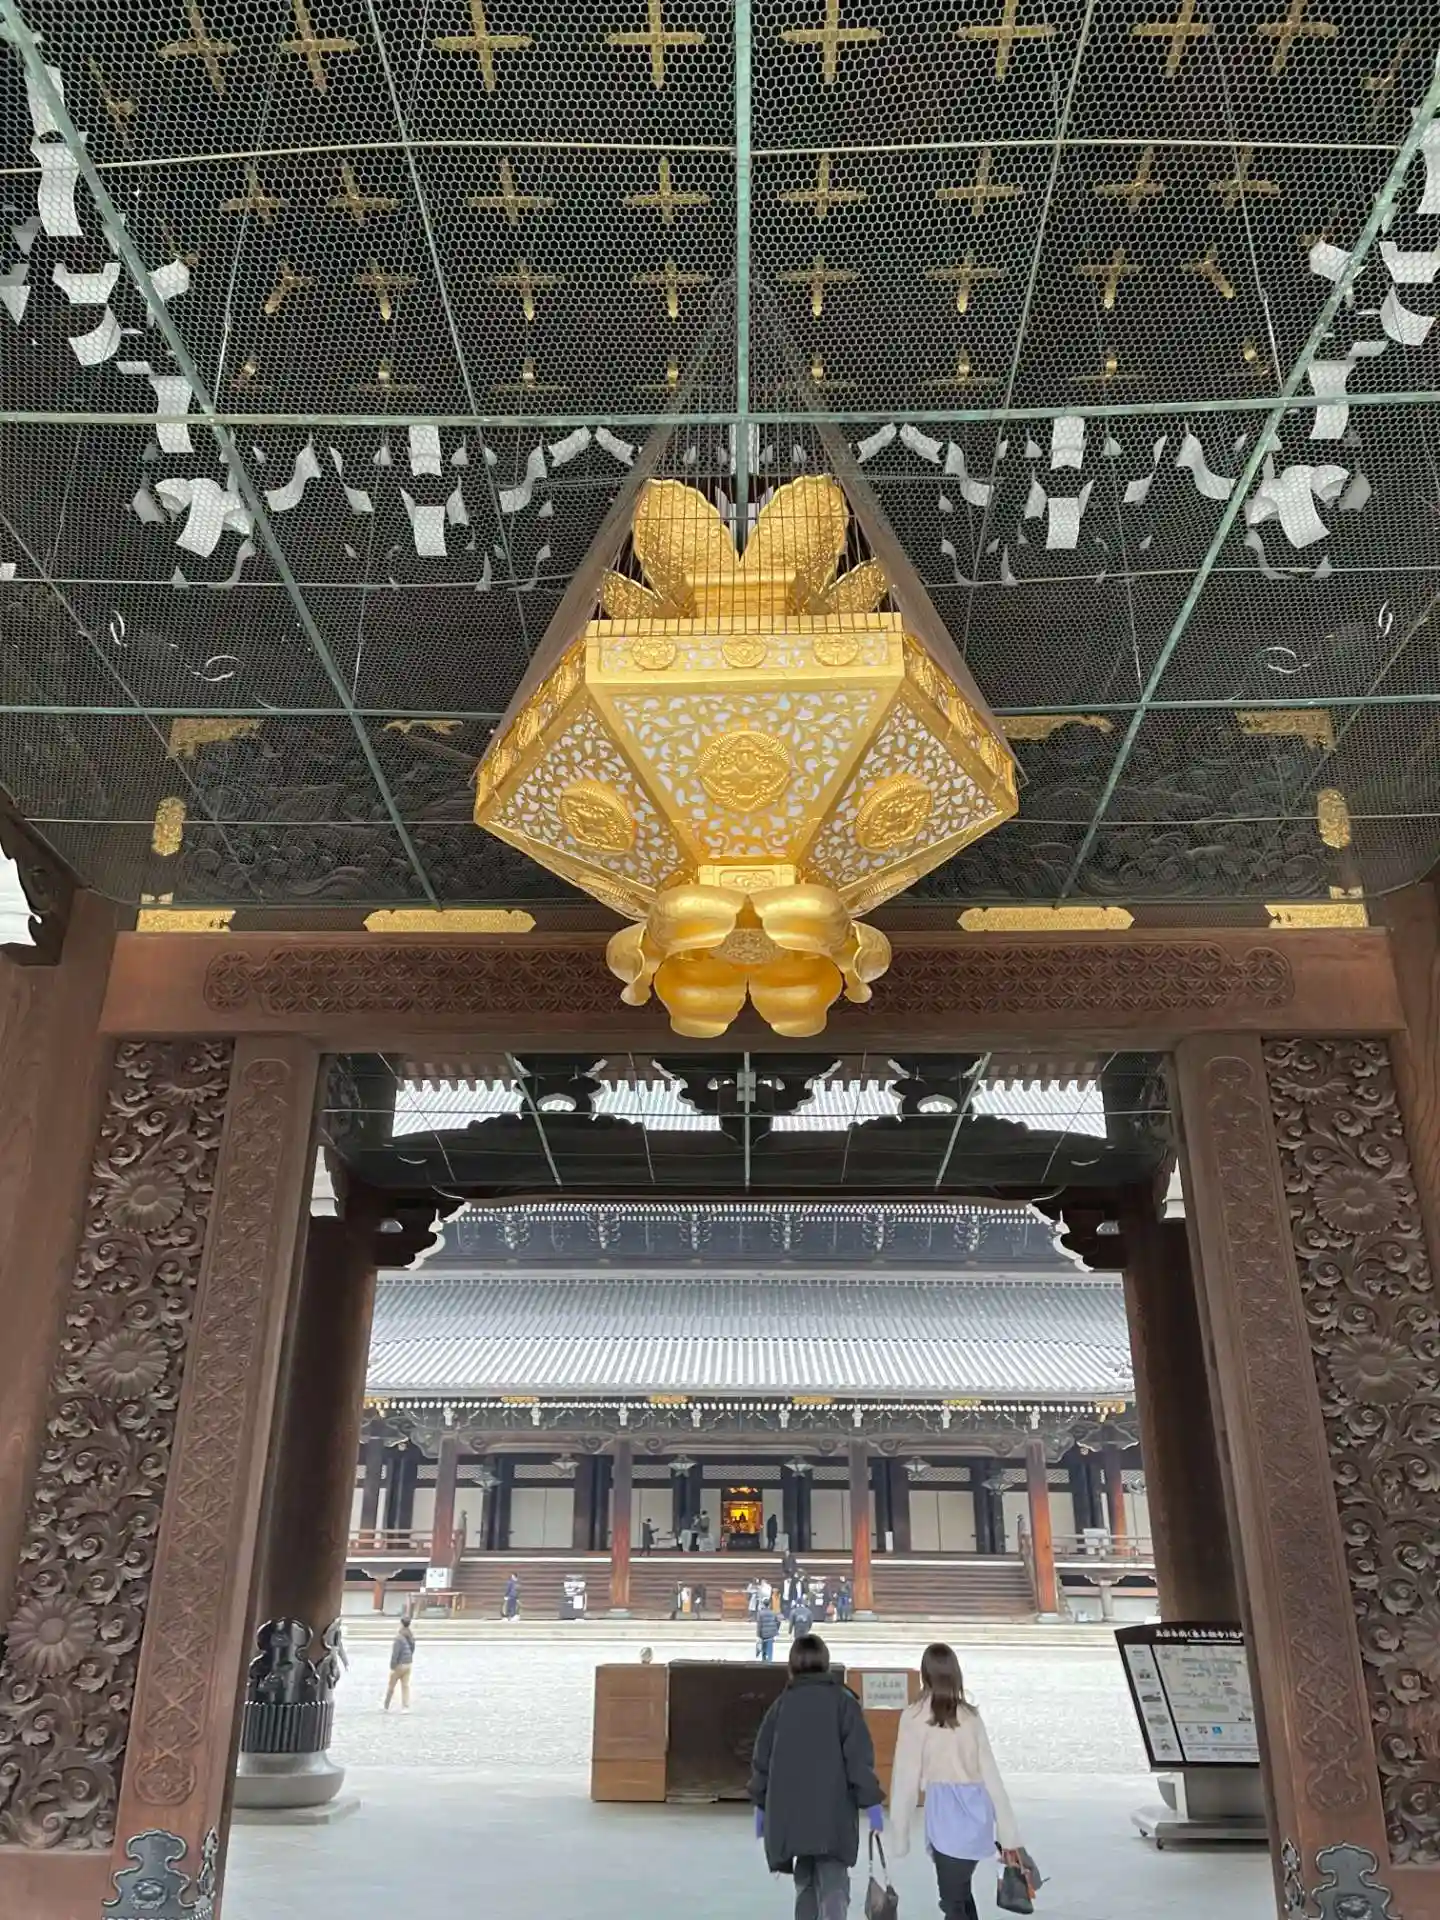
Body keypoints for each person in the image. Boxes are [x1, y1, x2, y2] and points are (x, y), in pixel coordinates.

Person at [750, 1633, 883, 1920]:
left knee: (806, 1880)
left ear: (792, 1665)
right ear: (825, 1662)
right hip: (833, 1814)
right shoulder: (843, 1703)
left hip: (791, 1816)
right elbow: (858, 1761)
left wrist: (761, 1806)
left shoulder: (781, 1706)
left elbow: (762, 1761)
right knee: (833, 1882)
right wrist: (872, 1804)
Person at [889, 1642, 1024, 1920]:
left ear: (924, 1673)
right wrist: (1007, 1832)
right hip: (976, 1813)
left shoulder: (914, 1716)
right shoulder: (970, 1716)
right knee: (959, 1895)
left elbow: (905, 1779)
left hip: (944, 1816)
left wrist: (900, 1832)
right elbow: (991, 1777)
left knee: (953, 1901)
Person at [384, 1614, 415, 1710]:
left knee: (391, 1685)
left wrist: (392, 1666)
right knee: (405, 1686)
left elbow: (395, 1653)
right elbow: (412, 1648)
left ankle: (386, 1705)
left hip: (400, 1664)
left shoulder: (399, 1637)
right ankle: (405, 1706)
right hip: (408, 1663)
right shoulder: (410, 1635)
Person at [757, 1597, 782, 1663]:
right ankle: (770, 1662)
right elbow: (779, 1622)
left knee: (763, 1648)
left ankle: (764, 1660)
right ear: (769, 1604)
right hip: (771, 1634)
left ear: (763, 1604)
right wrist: (776, 1630)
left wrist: (758, 1636)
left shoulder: (760, 1613)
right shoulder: (773, 1612)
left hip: (763, 1634)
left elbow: (759, 1625)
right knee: (770, 1649)